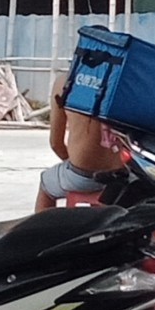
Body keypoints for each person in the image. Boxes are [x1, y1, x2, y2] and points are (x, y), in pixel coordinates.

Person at [36, 73, 123, 210]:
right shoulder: (126, 82)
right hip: (122, 174)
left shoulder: (65, 82)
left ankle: (42, 224)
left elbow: (55, 144)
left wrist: (76, 161)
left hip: (81, 174)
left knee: (45, 184)